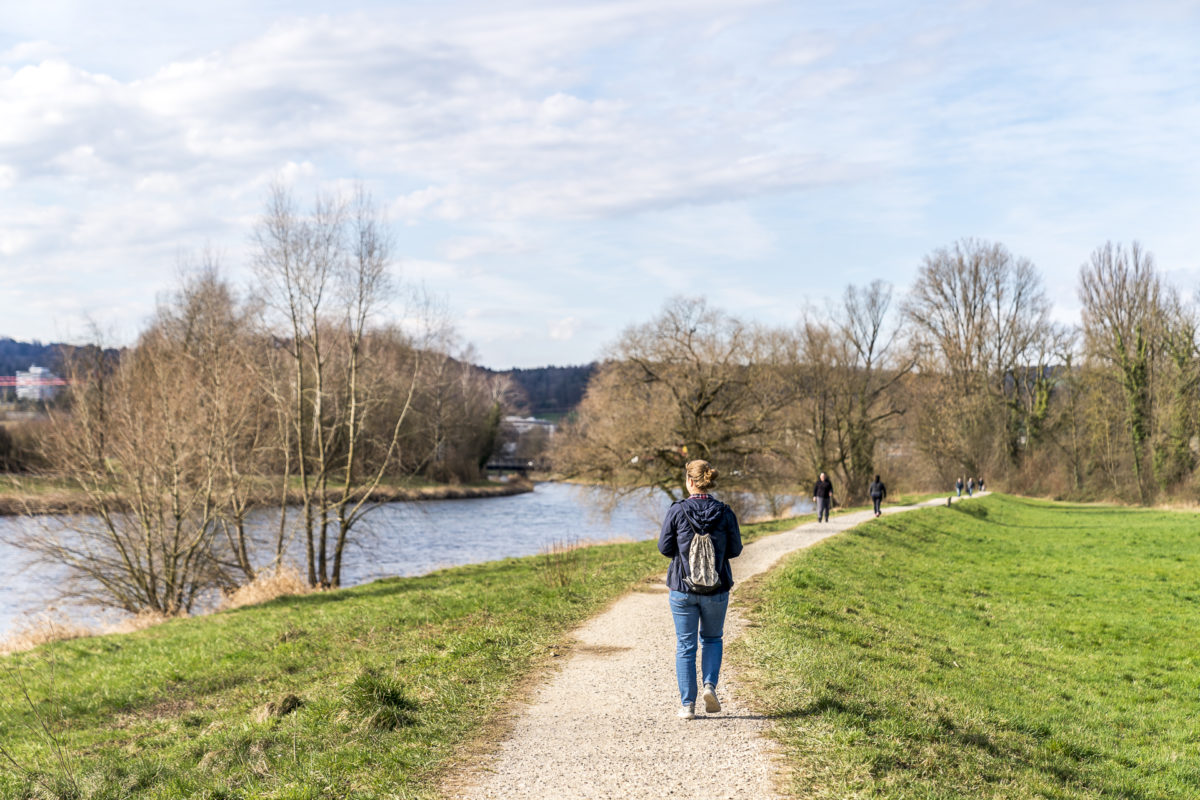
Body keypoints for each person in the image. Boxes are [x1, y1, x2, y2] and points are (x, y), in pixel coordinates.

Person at [658, 460, 743, 720]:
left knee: (686, 646)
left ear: (690, 482)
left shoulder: (677, 510)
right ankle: (709, 686)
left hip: (682, 588)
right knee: (712, 638)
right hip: (716, 589)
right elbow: (735, 550)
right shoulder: (725, 512)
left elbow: (665, 548)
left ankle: (687, 706)